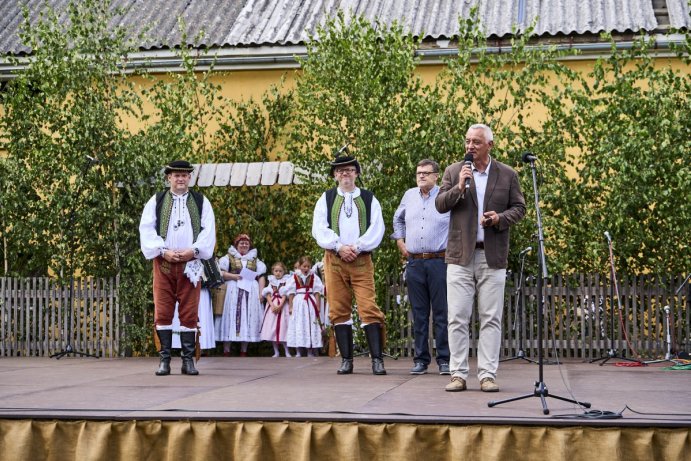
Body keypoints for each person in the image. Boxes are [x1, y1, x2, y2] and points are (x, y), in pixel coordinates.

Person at [435, 124, 526, 392]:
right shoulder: (454, 172)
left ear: (490, 145)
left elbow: (519, 208)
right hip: (460, 256)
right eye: (467, 141)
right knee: (457, 317)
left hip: (492, 255)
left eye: (476, 142)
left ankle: (487, 375)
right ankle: (458, 374)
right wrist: (459, 188)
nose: (470, 146)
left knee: (491, 317)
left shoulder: (507, 174)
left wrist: (500, 218)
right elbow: (440, 205)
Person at [312, 154, 387, 375]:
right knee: (338, 309)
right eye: (341, 170)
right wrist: (338, 246)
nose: (345, 173)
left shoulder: (369, 198)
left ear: (356, 173)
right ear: (335, 175)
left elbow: (377, 227)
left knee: (368, 308)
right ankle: (346, 360)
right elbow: (319, 228)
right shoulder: (325, 199)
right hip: (334, 259)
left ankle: (377, 360)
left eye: (350, 170)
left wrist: (358, 246)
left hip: (361, 258)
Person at [139, 159, 216, 376]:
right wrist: (163, 250)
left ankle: (188, 360)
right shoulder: (157, 200)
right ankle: (164, 360)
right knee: (163, 311)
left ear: (189, 177)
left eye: (184, 175)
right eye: (176, 175)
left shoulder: (201, 201)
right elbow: (146, 229)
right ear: (168, 177)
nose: (180, 178)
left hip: (190, 264)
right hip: (164, 263)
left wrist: (194, 250)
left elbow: (208, 230)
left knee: (189, 313)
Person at [391, 159, 451, 375]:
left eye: (426, 173)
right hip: (414, 262)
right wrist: (400, 241)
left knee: (442, 313)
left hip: (439, 261)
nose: (421, 176)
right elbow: (397, 220)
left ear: (436, 176)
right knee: (419, 313)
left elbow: (458, 225)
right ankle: (421, 360)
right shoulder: (409, 195)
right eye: (418, 173)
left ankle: (444, 360)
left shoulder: (445, 196)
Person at [214, 234, 267, 357]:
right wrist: (234, 277)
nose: (244, 245)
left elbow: (261, 277)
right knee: (230, 317)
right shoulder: (228, 257)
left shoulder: (255, 260)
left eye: (246, 243)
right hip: (233, 291)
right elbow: (220, 273)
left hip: (250, 292)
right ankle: (226, 350)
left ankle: (244, 350)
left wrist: (261, 293)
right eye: (241, 243)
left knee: (248, 318)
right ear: (236, 245)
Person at [286, 256, 325, 357]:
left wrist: (318, 305)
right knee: (299, 324)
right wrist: (290, 306)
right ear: (300, 266)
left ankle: (310, 350)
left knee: (310, 325)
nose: (306, 268)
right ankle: (298, 350)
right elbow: (291, 293)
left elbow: (317, 292)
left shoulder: (314, 277)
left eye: (308, 266)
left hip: (310, 302)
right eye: (304, 266)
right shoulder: (294, 277)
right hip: (298, 302)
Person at [260, 261, 292, 358]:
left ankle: (287, 351)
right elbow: (268, 294)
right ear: (273, 271)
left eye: (280, 271)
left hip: (283, 307)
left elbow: (285, 294)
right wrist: (272, 305)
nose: (278, 273)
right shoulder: (271, 281)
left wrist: (280, 305)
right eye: (276, 271)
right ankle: (276, 351)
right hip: (272, 306)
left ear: (284, 272)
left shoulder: (286, 281)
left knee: (283, 328)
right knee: (272, 328)